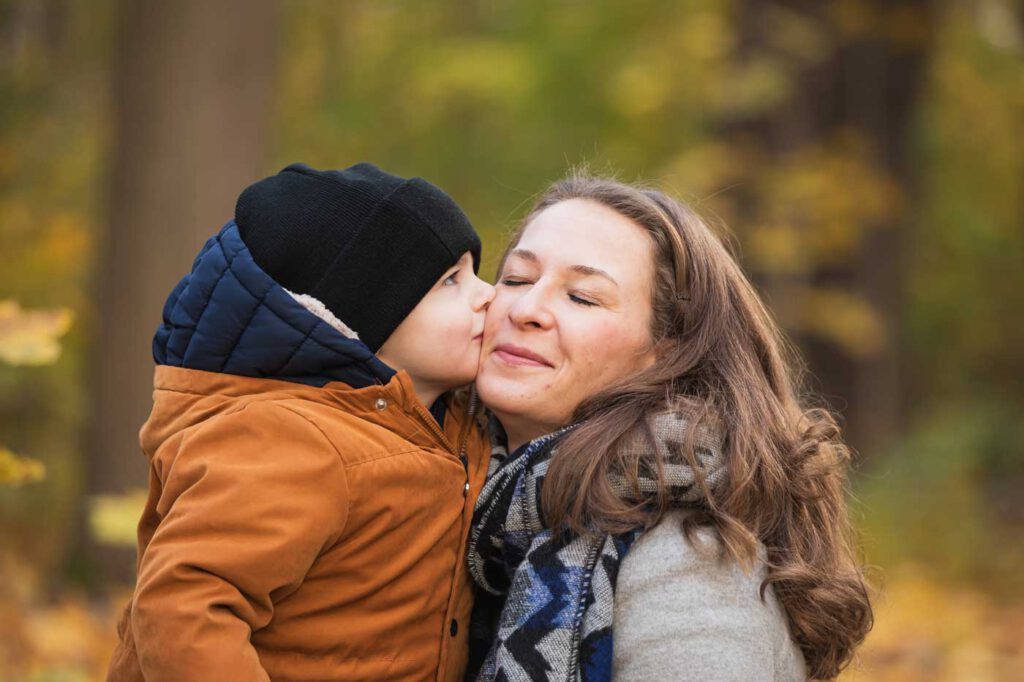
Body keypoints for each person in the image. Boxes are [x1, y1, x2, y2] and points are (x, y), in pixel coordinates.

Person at [466, 174, 873, 681]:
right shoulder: (458, 510)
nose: (525, 310)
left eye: (583, 297)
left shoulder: (685, 558)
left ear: (667, 354)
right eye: (517, 279)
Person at [107, 162, 495, 681]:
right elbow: (182, 606)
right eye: (451, 280)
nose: (488, 293)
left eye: (475, 271)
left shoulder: (454, 421)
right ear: (361, 317)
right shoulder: (291, 440)